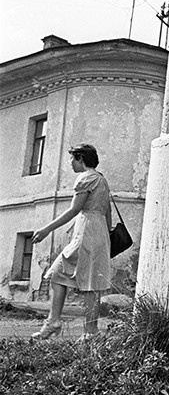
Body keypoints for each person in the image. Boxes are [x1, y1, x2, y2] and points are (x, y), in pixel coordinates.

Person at [31, 144, 112, 339]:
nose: (70, 163)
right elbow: (108, 213)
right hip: (100, 232)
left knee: (56, 273)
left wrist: (46, 229)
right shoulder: (102, 179)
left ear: (81, 159)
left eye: (72, 159)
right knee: (92, 283)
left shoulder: (85, 178)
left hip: (86, 231)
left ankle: (55, 322)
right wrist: (105, 240)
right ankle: (89, 332)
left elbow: (74, 210)